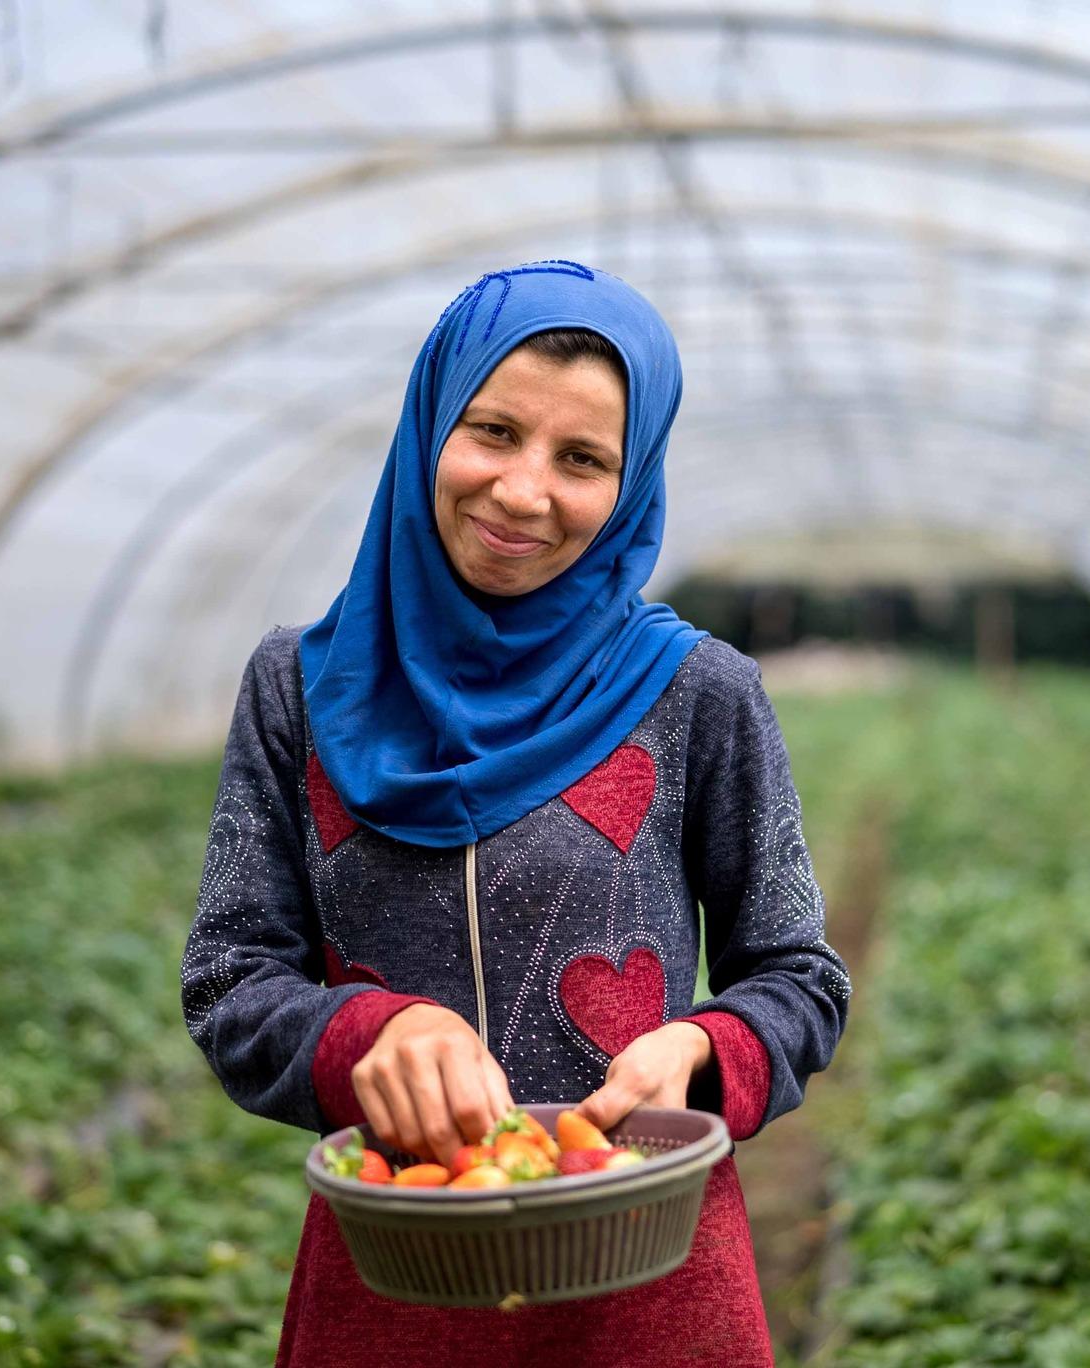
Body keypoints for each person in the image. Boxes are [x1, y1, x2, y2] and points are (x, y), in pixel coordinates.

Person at [181, 260, 852, 1367]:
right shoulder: (299, 690)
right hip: (398, 1285)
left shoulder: (695, 693)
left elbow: (797, 979)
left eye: (581, 459)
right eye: (492, 432)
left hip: (644, 1277)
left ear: (629, 484)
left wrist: (698, 1045)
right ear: (430, 423)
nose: (523, 491)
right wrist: (366, 1034)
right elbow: (229, 976)